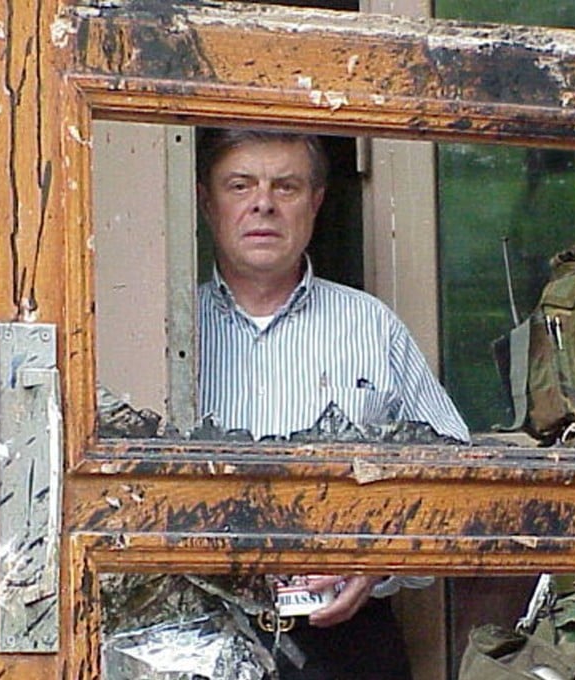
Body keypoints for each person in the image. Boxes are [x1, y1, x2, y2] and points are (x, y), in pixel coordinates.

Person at [196, 127, 470, 679]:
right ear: (207, 201)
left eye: (286, 187)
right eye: (240, 185)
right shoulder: (163, 327)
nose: (263, 204)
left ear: (316, 202)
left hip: (346, 648)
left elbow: (456, 480)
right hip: (195, 635)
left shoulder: (369, 326)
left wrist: (375, 560)